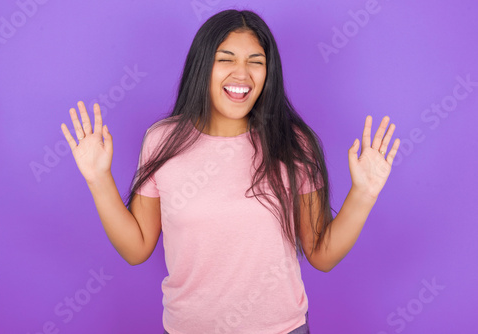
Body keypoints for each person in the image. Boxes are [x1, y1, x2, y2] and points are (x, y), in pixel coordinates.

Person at [60, 9, 400, 334]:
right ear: (202, 66)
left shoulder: (293, 143)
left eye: (256, 62)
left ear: (269, 74)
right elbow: (136, 249)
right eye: (226, 60)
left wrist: (364, 193)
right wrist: (98, 178)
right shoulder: (161, 139)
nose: (242, 74)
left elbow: (322, 255)